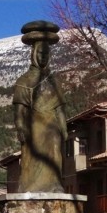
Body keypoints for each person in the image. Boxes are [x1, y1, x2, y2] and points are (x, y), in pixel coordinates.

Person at [12, 20, 67, 193]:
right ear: (34, 53)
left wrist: (64, 129)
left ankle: (54, 184)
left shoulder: (54, 81)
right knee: (33, 156)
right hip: (34, 125)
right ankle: (30, 186)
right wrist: (20, 127)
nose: (43, 56)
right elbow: (19, 108)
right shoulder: (24, 81)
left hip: (52, 126)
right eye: (40, 53)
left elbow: (60, 108)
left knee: (55, 153)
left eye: (46, 53)